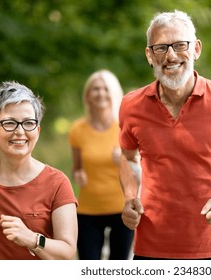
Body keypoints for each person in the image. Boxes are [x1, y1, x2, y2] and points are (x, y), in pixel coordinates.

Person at [118, 10, 211, 260]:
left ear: (196, 49)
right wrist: (130, 197)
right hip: (151, 247)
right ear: (149, 55)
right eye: (161, 48)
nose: (171, 55)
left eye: (179, 45)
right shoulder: (130, 106)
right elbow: (128, 158)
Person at [0, 81, 78, 260]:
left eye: (28, 123)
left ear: (37, 131)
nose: (19, 131)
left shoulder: (57, 183)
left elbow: (67, 252)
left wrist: (32, 239)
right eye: (9, 123)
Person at [68, 70, 134, 260]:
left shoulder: (125, 127)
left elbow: (141, 170)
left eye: (105, 88)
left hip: (122, 210)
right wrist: (78, 175)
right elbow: (77, 169)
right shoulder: (77, 130)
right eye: (95, 89)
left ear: (114, 92)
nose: (100, 93)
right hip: (88, 211)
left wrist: (123, 160)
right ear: (88, 95)